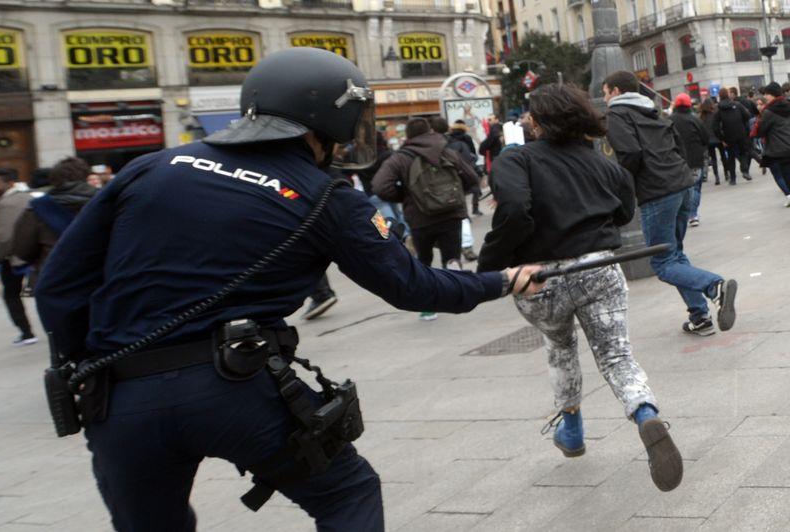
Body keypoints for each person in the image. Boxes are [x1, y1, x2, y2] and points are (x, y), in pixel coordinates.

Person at [34, 48, 541, 532]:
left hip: (120, 397)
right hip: (233, 387)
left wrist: (86, 366)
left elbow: (58, 283)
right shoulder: (327, 197)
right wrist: (501, 279)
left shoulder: (150, 167)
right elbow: (414, 286)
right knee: (347, 493)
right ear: (328, 123)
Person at [478, 83, 682, 492]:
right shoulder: (602, 163)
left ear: (537, 122)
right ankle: (645, 413)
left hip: (541, 277)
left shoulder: (516, 159)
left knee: (560, 346)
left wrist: (490, 267)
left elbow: (514, 210)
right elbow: (624, 210)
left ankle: (572, 430)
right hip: (599, 267)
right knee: (617, 355)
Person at [603, 70, 738, 336]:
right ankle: (700, 316)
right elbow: (677, 145)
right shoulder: (653, 110)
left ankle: (714, 287)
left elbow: (630, 153)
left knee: (663, 263)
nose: (605, 97)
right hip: (681, 183)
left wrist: (622, 186)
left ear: (616, 91)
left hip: (657, 191)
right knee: (675, 254)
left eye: (605, 92)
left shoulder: (616, 114)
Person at [373, 117, 481, 321]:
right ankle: (457, 297)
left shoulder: (401, 157)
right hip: (451, 213)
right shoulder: (447, 150)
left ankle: (429, 307)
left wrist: (406, 197)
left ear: (409, 135)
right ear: (430, 131)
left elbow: (380, 186)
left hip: (420, 218)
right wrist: (456, 194)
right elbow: (472, 177)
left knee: (424, 261)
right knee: (452, 257)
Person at [13, 157, 97, 283]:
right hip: (99, 274)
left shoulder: (38, 207)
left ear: (54, 179)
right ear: (86, 176)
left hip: (54, 275)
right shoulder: (105, 201)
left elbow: (22, 249)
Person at [0, 168, 37, 345]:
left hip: (15, 258)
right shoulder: (27, 197)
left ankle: (27, 333)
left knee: (11, 295)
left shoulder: (5, 204)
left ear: (9, 184)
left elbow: (4, 240)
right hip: (36, 255)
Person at [429, 116, 481, 262]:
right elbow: (468, 166)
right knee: (461, 217)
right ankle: (467, 247)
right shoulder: (457, 145)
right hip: (455, 188)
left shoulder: (425, 147)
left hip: (432, 191)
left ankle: (441, 244)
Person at [670, 93, 709, 226]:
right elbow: (705, 138)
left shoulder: (669, 121)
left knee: (680, 189)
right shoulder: (695, 120)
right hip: (695, 159)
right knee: (695, 187)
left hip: (676, 161)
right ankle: (693, 215)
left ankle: (682, 214)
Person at [751, 82, 790, 207]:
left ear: (773, 95)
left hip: (780, 150)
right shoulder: (788, 105)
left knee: (785, 177)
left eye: (767, 94)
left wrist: (759, 118)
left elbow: (758, 132)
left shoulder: (769, 112)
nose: (765, 96)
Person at [714, 88, 753, 184]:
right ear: (728, 95)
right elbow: (747, 115)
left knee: (731, 157)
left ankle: (733, 179)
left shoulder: (718, 110)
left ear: (719, 96)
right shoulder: (737, 105)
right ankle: (745, 170)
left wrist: (722, 138)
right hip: (741, 133)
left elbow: (715, 127)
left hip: (728, 136)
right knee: (743, 152)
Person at [699, 99, 723, 185]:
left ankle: (717, 177)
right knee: (723, 156)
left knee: (713, 159)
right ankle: (726, 173)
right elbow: (719, 126)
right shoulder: (715, 114)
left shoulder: (701, 117)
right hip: (718, 138)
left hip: (709, 140)